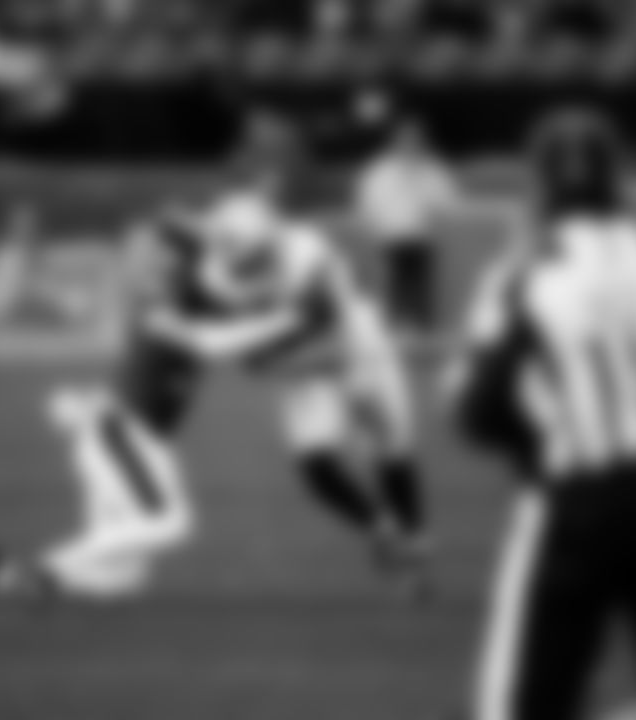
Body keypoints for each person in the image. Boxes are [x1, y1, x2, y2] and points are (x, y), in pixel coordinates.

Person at [445, 107, 636, 720]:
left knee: (534, 695)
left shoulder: (524, 277)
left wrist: (538, 447)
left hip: (578, 502)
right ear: (617, 177)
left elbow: (479, 411)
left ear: (539, 184)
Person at [153, 189, 434, 590]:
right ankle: (382, 530)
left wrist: (270, 353)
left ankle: (416, 545)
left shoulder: (308, 255)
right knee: (314, 460)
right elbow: (252, 357)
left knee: (391, 445)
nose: (251, 270)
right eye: (244, 262)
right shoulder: (221, 270)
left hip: (355, 343)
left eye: (258, 258)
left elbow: (330, 340)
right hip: (299, 361)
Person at [0, 209, 206, 604]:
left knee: (122, 580)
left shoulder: (181, 294)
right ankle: (34, 568)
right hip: (120, 433)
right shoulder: (171, 299)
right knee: (171, 525)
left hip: (136, 436)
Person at [353, 120, 460, 330]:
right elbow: (366, 205)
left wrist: (436, 211)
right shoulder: (379, 172)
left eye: (415, 139)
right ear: (395, 141)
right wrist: (371, 233)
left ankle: (423, 330)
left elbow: (449, 202)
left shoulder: (432, 171)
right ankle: (394, 329)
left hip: (422, 239)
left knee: (421, 291)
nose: (410, 144)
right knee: (395, 289)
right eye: (405, 139)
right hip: (390, 239)